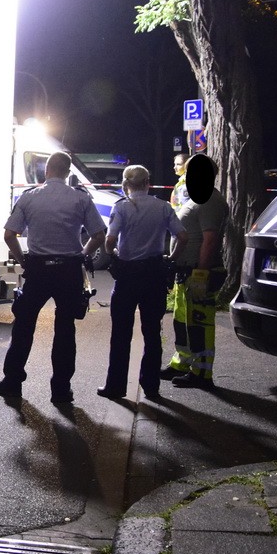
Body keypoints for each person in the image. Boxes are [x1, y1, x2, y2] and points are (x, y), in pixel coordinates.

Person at [0, 152, 106, 405]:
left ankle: (12, 382)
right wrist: (82, 253)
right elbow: (99, 233)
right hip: (68, 271)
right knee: (65, 329)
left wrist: (23, 261)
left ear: (47, 171)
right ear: (67, 173)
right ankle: (61, 390)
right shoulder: (80, 198)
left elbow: (10, 234)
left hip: (38, 270)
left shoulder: (30, 197)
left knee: (23, 325)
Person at [98, 165, 187, 401]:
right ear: (148, 182)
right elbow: (183, 236)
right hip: (153, 274)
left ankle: (115, 386)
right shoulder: (163, 207)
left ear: (126, 184)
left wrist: (114, 254)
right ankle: (151, 387)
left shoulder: (123, 208)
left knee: (120, 333)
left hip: (127, 275)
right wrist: (171, 260)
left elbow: (109, 240)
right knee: (152, 332)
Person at [160, 156, 229, 388]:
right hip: (185, 272)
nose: (186, 176)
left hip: (198, 273)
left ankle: (202, 374)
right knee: (183, 321)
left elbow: (209, 241)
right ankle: (182, 363)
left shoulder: (210, 200)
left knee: (199, 324)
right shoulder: (197, 198)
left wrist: (200, 274)